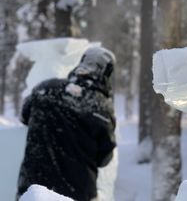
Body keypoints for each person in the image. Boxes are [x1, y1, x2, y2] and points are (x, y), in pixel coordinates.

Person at [17, 46, 117, 201]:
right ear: (107, 72)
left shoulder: (45, 89)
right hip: (76, 194)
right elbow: (104, 158)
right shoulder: (101, 108)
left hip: (31, 191)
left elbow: (24, 117)